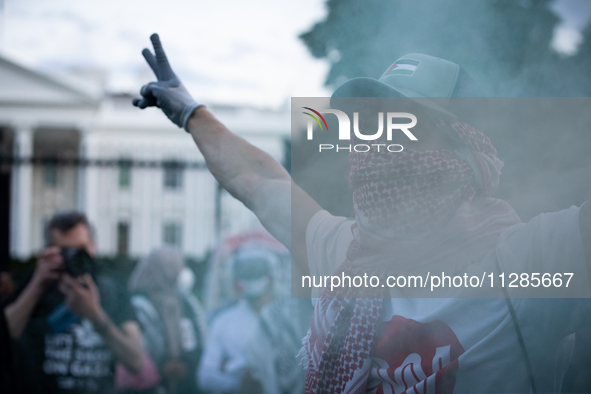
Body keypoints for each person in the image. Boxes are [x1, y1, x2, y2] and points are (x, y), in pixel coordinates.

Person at [133, 34, 591, 393]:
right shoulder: (342, 252)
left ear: (465, 152)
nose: (379, 148)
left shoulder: (530, 262)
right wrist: (192, 113)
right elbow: (261, 182)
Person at [3, 211, 144, 394]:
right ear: (49, 250)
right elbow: (6, 336)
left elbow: (136, 362)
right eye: (64, 251)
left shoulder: (113, 291)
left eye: (80, 250)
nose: (73, 258)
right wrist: (37, 285)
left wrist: (95, 315)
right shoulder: (34, 284)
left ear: (93, 248)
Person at [197, 247, 277, 394]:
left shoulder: (286, 320)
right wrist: (243, 385)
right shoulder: (223, 322)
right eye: (248, 271)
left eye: (256, 271)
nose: (251, 276)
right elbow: (206, 376)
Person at [128, 247, 207, 394]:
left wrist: (187, 364)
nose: (184, 272)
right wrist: (161, 366)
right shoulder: (139, 304)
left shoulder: (187, 302)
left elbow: (201, 338)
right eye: (178, 266)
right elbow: (136, 345)